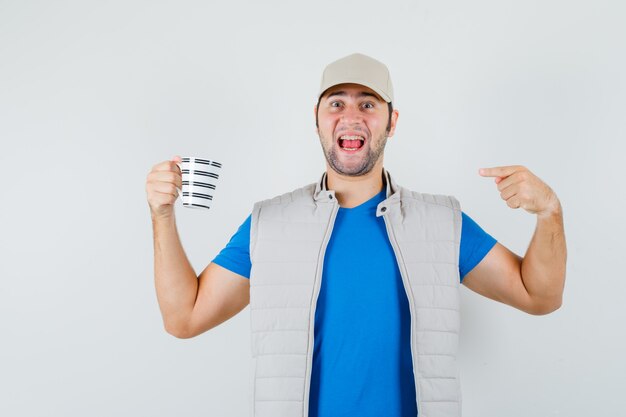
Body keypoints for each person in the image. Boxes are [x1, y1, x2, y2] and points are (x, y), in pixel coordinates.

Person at [145, 53, 567, 417]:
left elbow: (539, 295)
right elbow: (184, 318)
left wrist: (549, 212)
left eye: (368, 103)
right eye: (336, 103)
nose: (351, 116)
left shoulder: (442, 223)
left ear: (392, 121)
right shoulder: (268, 224)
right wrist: (162, 214)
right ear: (316, 120)